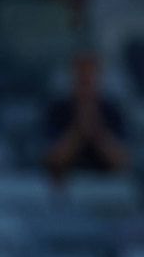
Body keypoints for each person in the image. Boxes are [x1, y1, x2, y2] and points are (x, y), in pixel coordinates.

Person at [43, 53, 130, 182]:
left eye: (90, 77)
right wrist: (78, 131)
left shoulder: (112, 111)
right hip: (66, 184)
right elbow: (54, 159)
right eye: (81, 77)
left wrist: (97, 131)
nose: (86, 82)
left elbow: (121, 161)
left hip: (107, 184)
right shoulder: (57, 110)